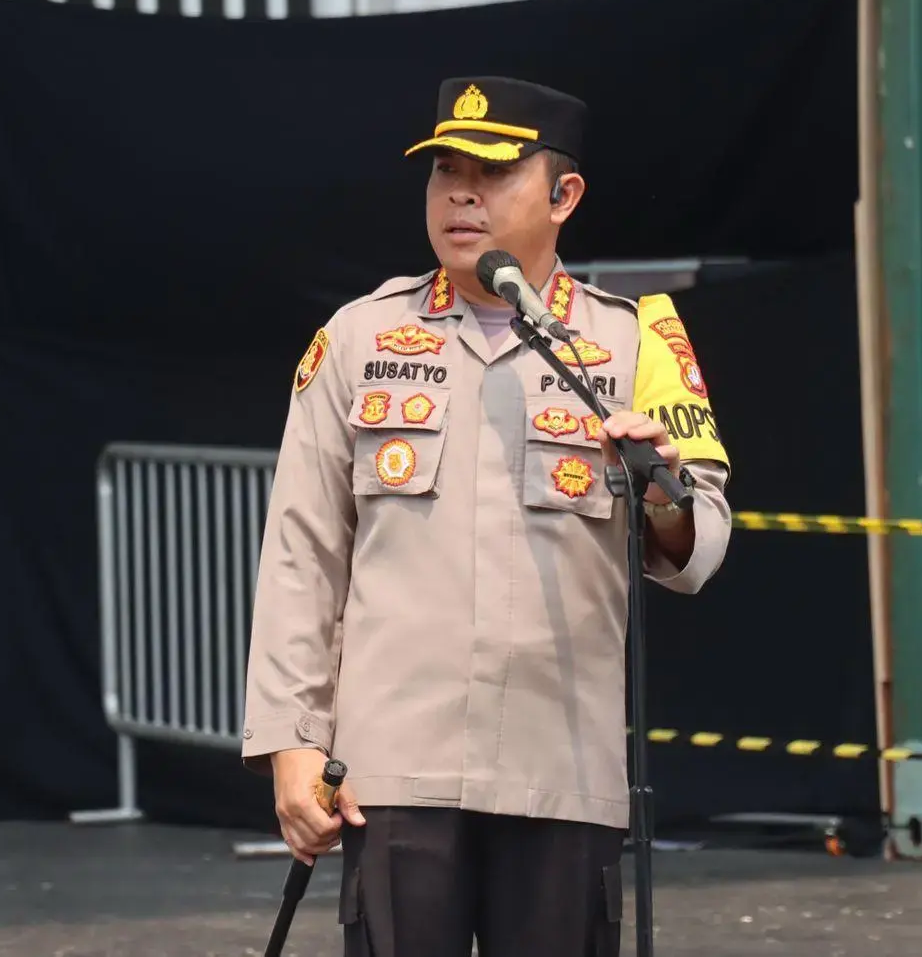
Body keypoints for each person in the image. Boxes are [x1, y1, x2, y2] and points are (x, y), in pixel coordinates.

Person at [242, 76, 732, 956]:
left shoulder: (632, 343)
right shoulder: (359, 338)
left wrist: (661, 494)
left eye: (494, 173)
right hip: (394, 770)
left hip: (560, 768)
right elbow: (302, 555)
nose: (461, 196)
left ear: (564, 195)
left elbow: (700, 546)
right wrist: (292, 743)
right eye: (445, 172)